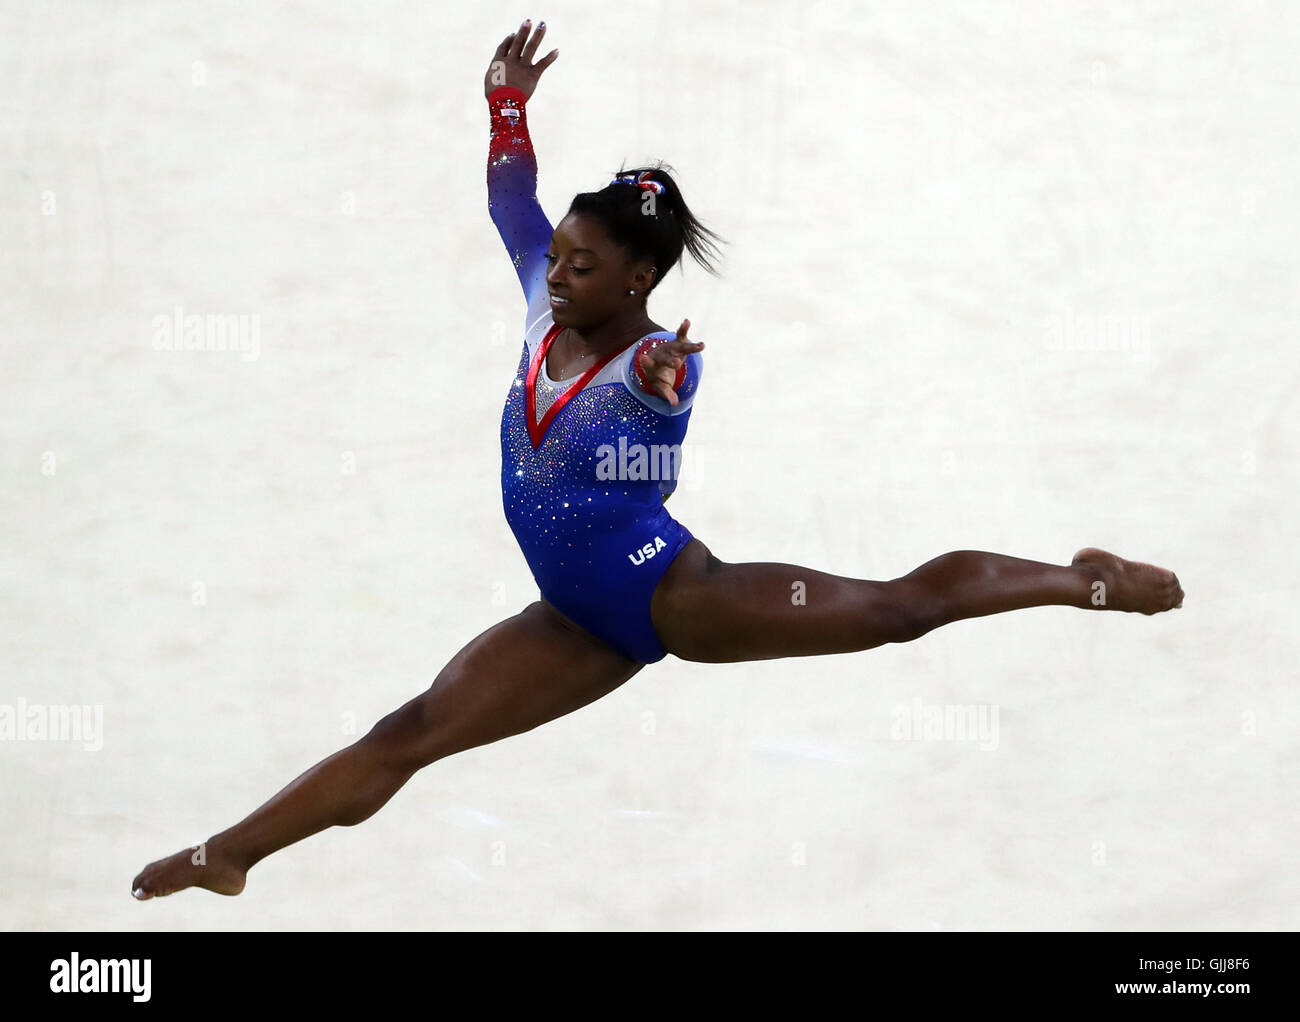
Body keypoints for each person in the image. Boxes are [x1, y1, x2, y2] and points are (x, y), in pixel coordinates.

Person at [131, 20, 1182, 900]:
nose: (557, 274)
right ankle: (227, 853)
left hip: (678, 599)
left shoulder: (651, 367)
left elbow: (653, 460)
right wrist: (506, 102)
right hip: (574, 621)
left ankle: (1085, 579)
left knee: (899, 609)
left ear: (636, 275)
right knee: (407, 731)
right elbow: (509, 198)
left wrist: (664, 395)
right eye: (557, 257)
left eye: (582, 266)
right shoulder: (541, 304)